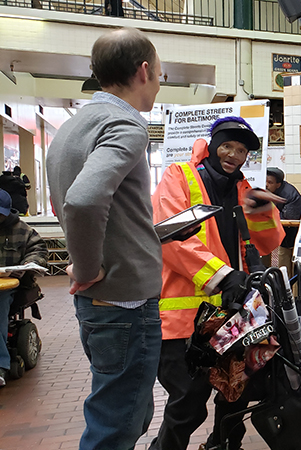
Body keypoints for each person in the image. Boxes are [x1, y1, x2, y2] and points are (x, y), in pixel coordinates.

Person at [46, 27, 164, 450]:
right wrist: (88, 266)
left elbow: (73, 203)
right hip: (123, 301)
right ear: (144, 70)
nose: (158, 83)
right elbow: (82, 201)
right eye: (160, 73)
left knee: (122, 408)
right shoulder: (127, 126)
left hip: (100, 304)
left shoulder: (72, 126)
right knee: (118, 423)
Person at [150, 116, 285, 450]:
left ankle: (224, 446)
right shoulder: (178, 176)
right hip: (186, 316)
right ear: (212, 145)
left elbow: (268, 243)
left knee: (235, 396)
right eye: (227, 145)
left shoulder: (243, 190)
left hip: (233, 316)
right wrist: (223, 278)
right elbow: (170, 238)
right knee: (188, 404)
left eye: (242, 150)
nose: (234, 155)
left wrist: (263, 211)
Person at [0, 189, 47, 387]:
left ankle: (1, 364)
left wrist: (28, 265)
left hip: (7, 286)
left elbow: (38, 249)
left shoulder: (22, 230)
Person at [266, 167, 301, 274]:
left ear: (278, 184)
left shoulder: (290, 195)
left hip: (295, 239)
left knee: (300, 273)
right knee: (283, 269)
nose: (266, 185)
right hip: (283, 238)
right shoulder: (265, 191)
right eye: (265, 181)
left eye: (270, 182)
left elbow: (289, 219)